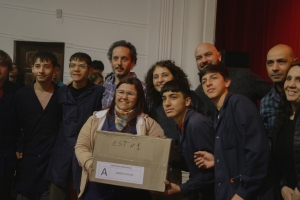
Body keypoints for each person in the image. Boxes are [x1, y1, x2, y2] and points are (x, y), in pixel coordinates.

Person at [75, 76, 164, 200]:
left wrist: (158, 148)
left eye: (130, 93)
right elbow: (81, 146)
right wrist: (90, 164)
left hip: (132, 192)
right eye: (121, 92)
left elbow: (159, 155)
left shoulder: (148, 124)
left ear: (138, 97)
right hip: (97, 190)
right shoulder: (96, 119)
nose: (124, 97)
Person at [195, 65, 269, 200]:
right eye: (204, 81)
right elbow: (236, 151)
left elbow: (257, 151)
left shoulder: (238, 103)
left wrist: (243, 192)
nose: (208, 83)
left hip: (248, 193)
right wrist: (217, 160)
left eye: (213, 78)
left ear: (227, 82)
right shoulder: (218, 114)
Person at [145, 60, 208, 200]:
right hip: (174, 166)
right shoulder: (154, 108)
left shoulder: (195, 120)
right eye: (156, 77)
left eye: (164, 75)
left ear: (187, 101)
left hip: (198, 176)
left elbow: (208, 168)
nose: (160, 80)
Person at [46, 52, 105, 200]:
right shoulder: (61, 92)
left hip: (88, 149)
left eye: (81, 66)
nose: (76, 69)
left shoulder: (99, 92)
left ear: (90, 70)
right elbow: (54, 120)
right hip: (62, 149)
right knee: (57, 192)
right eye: (72, 65)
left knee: (85, 191)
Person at [14, 51, 61, 200]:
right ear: (32, 69)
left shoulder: (62, 94)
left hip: (52, 155)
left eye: (46, 66)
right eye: (37, 66)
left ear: (55, 70)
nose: (41, 71)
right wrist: (18, 145)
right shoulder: (21, 95)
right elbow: (14, 124)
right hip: (27, 154)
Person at [157, 80, 215, 199]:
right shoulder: (182, 124)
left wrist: (181, 189)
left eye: (173, 97)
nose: (167, 103)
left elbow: (213, 171)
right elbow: (196, 164)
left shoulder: (196, 123)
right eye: (164, 98)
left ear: (187, 101)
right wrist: (175, 156)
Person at [194, 43, 272, 117]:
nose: (204, 60)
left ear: (219, 56)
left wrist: (266, 121)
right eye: (199, 58)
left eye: (208, 54)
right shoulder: (198, 94)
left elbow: (273, 94)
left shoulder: (243, 75)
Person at [273, 61, 300, 200]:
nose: (291, 85)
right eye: (289, 79)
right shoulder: (282, 116)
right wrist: (282, 185)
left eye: (299, 80)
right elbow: (278, 161)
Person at [260, 44, 297, 141]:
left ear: (294, 63)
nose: (274, 68)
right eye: (270, 63)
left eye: (281, 61)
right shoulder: (266, 102)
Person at [102, 40, 147, 108]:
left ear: (132, 63)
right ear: (111, 62)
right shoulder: (107, 83)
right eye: (115, 58)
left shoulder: (143, 88)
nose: (119, 63)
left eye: (124, 59)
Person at [0, 50, 20, 200]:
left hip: (7, 154)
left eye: (2, 65)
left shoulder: (16, 91)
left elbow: (21, 122)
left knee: (5, 192)